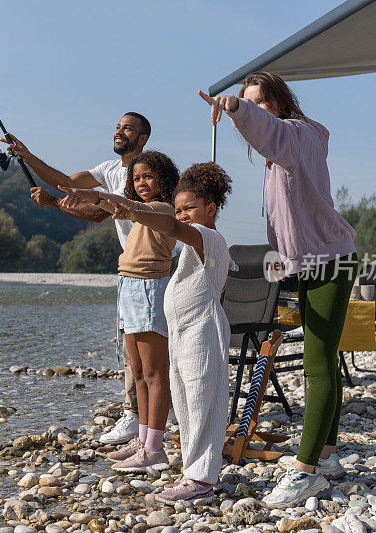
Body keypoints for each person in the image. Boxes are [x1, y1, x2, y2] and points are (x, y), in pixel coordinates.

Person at [199, 71, 358, 508]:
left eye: (261, 102)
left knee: (317, 361)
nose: (255, 111)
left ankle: (305, 471)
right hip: (312, 264)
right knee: (320, 355)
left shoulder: (294, 135)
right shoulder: (280, 153)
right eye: (251, 102)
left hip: (331, 260)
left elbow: (267, 128)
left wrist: (235, 106)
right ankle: (326, 456)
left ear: (280, 104)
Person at [1, 113, 152, 445]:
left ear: (141, 139)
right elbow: (65, 181)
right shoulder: (109, 170)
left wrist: (56, 203)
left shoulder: (146, 173)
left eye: (127, 128)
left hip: (153, 268)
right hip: (129, 269)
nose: (118, 131)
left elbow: (99, 212)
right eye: (117, 126)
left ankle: (144, 419)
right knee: (130, 349)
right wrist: (26, 155)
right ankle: (136, 415)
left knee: (144, 350)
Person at [104, 162, 234, 503]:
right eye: (179, 209)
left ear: (211, 208)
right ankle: (194, 474)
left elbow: (167, 224)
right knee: (189, 405)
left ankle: (202, 481)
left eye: (189, 209)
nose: (182, 216)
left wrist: (133, 209)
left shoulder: (210, 238)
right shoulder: (194, 248)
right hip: (183, 336)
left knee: (202, 403)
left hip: (201, 335)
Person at [58, 151, 180, 472]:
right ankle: (142, 440)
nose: (141, 183)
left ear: (164, 180)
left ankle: (155, 447)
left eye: (148, 177)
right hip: (128, 287)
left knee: (155, 373)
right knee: (137, 371)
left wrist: (98, 196)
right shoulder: (134, 209)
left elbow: (135, 210)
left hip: (150, 289)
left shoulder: (164, 210)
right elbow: (122, 207)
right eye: (136, 178)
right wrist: (91, 197)